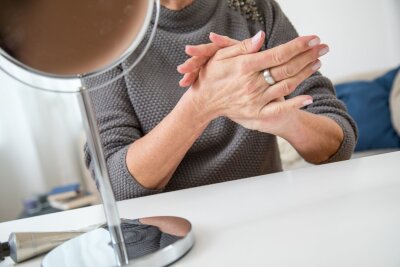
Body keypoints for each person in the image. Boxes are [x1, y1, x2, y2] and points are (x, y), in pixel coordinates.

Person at [84, 0, 358, 201]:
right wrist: (202, 104)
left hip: (268, 216)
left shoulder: (254, 9)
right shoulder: (107, 36)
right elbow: (114, 184)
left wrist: (281, 119)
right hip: (171, 235)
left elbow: (337, 143)